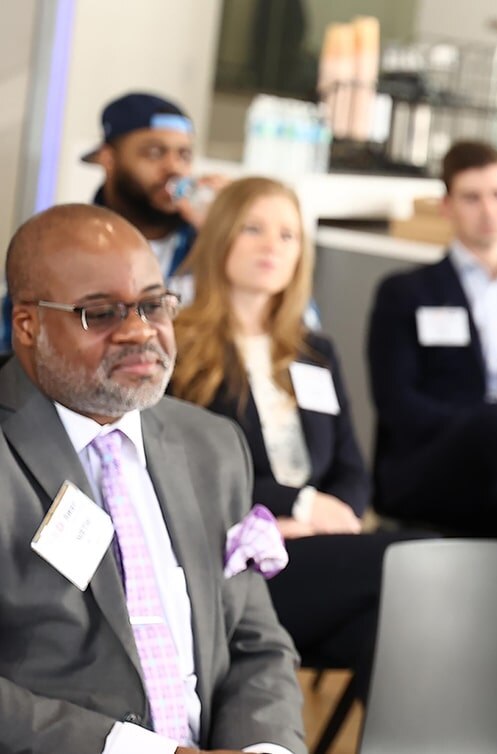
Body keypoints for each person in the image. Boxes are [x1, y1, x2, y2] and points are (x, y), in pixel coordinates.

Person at [0, 203, 304, 752]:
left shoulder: (211, 445)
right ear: (28, 324)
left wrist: (265, 747)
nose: (139, 332)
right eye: (102, 313)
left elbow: (256, 643)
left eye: (151, 305)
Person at [168, 176, 429, 712]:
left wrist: (330, 519)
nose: (272, 246)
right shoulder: (181, 345)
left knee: (394, 634)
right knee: (419, 559)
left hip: (315, 549)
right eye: (255, 229)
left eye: (288, 235)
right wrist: (299, 506)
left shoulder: (315, 352)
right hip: (232, 560)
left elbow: (353, 470)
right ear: (220, 237)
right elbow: (189, 473)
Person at [367, 140, 497, 537]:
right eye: (471, 198)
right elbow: (397, 404)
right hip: (436, 463)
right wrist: (493, 423)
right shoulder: (407, 293)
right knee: (494, 421)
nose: (488, 210)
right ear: (446, 207)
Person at [2, 93, 225, 351]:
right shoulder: (62, 245)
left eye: (184, 155)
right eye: (154, 153)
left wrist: (228, 228)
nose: (173, 168)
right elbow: (14, 349)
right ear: (108, 159)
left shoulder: (210, 243)